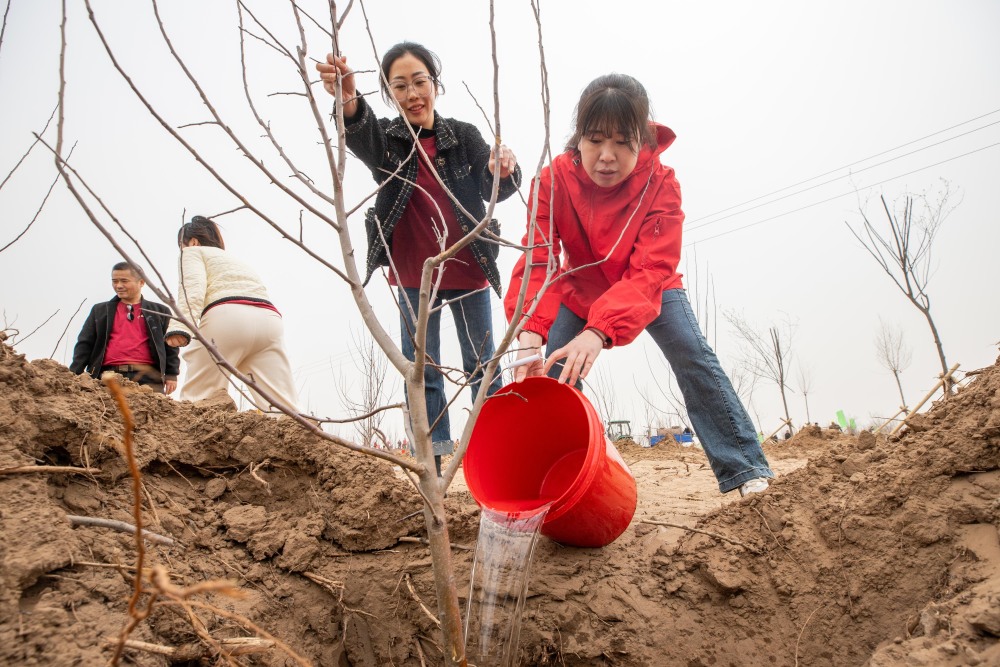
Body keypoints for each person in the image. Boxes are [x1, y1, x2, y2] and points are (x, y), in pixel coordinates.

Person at [506, 73, 773, 497]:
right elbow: (539, 257)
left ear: (642, 139)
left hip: (650, 284)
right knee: (552, 376)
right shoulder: (552, 181)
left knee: (692, 353)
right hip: (580, 287)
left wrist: (598, 331)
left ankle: (746, 470)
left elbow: (652, 267)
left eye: (621, 143)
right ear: (578, 138)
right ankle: (547, 485)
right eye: (595, 140)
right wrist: (528, 333)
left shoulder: (661, 183)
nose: (606, 157)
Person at [317, 43, 522, 474]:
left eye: (420, 82)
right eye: (400, 86)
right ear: (390, 94)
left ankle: (496, 449)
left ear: (435, 84)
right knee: (422, 371)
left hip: (468, 268)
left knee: (482, 365)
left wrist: (503, 168)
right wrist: (348, 97)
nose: (413, 93)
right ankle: (436, 459)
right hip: (414, 276)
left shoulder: (462, 136)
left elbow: (494, 191)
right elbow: (360, 130)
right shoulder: (390, 141)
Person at [164, 216, 298, 413]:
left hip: (227, 317)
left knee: (200, 399)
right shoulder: (235, 260)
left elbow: (192, 290)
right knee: (281, 403)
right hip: (269, 321)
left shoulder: (192, 252)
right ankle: (302, 434)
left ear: (192, 241)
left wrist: (180, 328)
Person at [71, 262, 179, 394]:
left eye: (124, 281)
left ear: (141, 282)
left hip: (149, 377)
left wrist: (172, 374)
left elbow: (171, 345)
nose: (118, 286)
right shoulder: (100, 311)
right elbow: (84, 343)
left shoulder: (159, 312)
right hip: (107, 376)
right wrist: (73, 374)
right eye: (115, 281)